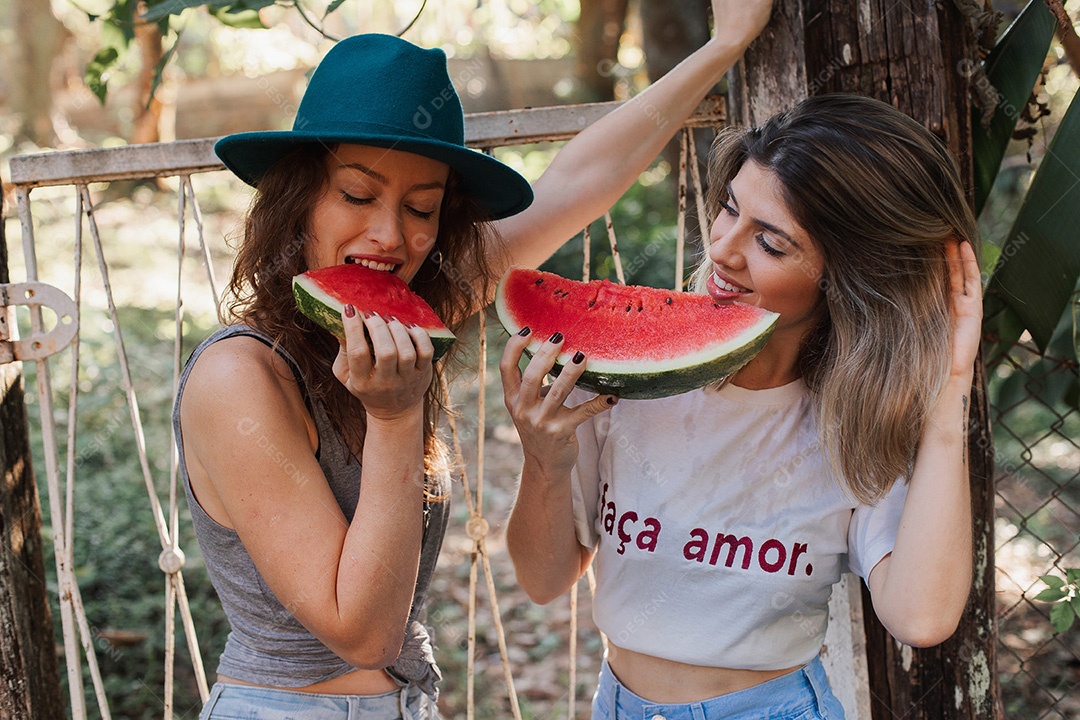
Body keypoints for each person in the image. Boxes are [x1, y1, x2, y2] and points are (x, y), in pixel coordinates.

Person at [174, 6, 773, 719]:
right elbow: (363, 632)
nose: (390, 235)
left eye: (421, 208)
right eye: (357, 195)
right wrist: (395, 417)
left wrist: (724, 45)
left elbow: (577, 183)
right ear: (297, 199)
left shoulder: (405, 314)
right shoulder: (239, 377)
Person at [501, 93, 982, 720]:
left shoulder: (858, 420)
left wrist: (948, 393)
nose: (724, 250)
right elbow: (543, 580)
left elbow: (921, 616)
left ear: (847, 276)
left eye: (772, 244)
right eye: (728, 209)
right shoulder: (617, 378)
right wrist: (543, 459)